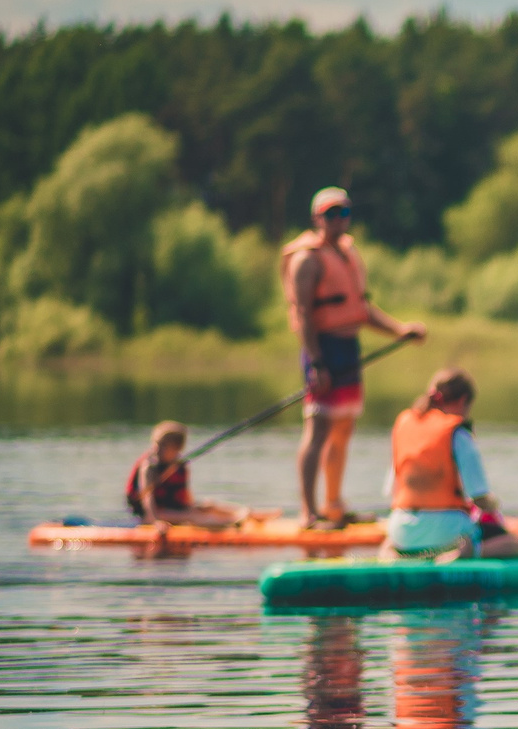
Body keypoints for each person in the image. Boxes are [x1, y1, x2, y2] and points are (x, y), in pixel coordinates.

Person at [282, 186, 425, 529]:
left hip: (349, 348)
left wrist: (399, 330)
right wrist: (317, 363)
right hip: (323, 350)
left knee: (343, 428)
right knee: (318, 429)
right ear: (317, 218)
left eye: (343, 212)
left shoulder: (347, 253)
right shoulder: (306, 260)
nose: (338, 220)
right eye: (331, 214)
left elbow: (360, 309)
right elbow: (303, 315)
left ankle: (333, 506)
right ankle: (308, 513)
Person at [382, 369, 518, 563]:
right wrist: (495, 508)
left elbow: (392, 491)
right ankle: (466, 553)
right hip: (448, 532)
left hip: (402, 530)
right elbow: (480, 498)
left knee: (390, 540)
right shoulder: (458, 433)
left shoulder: (405, 425)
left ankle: (392, 554)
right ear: (463, 400)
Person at [124, 421, 256, 529]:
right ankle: (233, 522)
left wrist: (196, 507)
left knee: (207, 506)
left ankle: (247, 513)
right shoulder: (149, 467)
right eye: (156, 444)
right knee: (191, 516)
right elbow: (148, 502)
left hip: (168, 509)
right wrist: (155, 522)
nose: (157, 450)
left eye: (163, 446)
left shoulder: (179, 466)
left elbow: (185, 500)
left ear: (177, 449)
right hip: (153, 514)